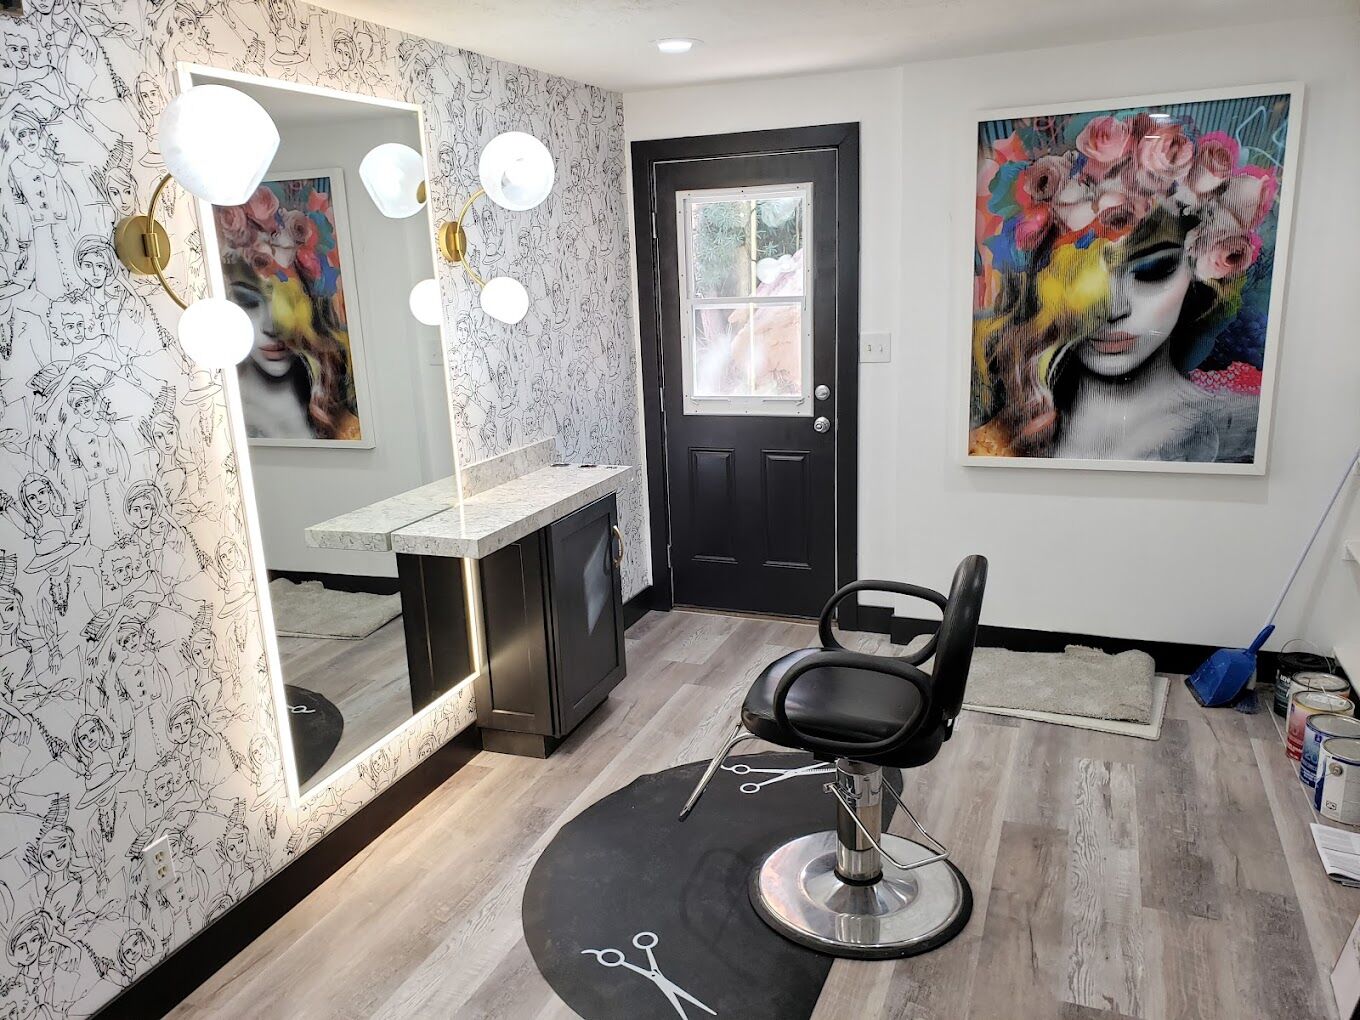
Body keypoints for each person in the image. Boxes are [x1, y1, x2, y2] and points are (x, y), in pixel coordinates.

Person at [969, 107, 1283, 464]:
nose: (1113, 309)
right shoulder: (1004, 436)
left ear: (1198, 272)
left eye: (1151, 271)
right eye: (1080, 278)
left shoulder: (1243, 435)